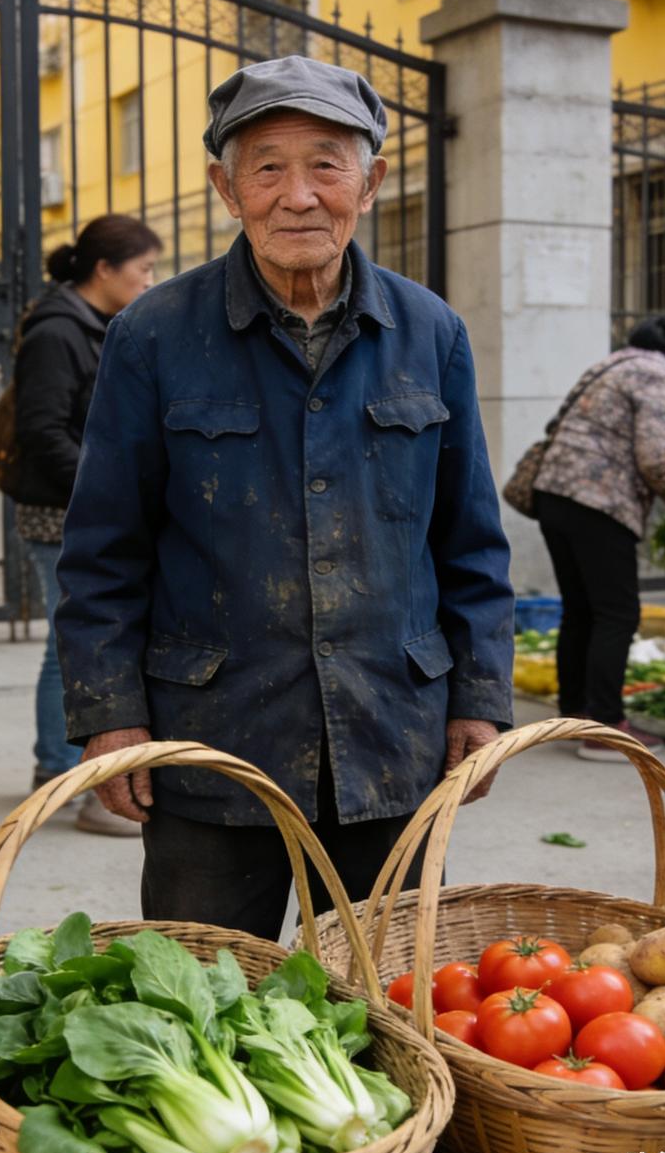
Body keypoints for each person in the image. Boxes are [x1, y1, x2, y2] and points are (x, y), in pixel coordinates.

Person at [54, 54, 514, 939]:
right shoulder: (152, 334)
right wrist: (109, 717)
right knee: (207, 998)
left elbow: (470, 538)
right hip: (213, 740)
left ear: (370, 182)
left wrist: (481, 695)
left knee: (389, 1003)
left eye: (326, 164)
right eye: (267, 166)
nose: (297, 195)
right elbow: (104, 547)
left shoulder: (430, 331)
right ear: (228, 189)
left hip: (391, 734)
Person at [12, 216, 162, 835]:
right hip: (61, 513)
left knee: (73, 640)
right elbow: (41, 430)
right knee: (66, 644)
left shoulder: (98, 327)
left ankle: (65, 774)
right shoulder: (56, 331)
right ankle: (62, 780)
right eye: (143, 268)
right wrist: (107, 489)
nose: (151, 280)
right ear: (105, 270)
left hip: (85, 507)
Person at [531, 306, 665, 761]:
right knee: (616, 613)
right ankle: (604, 727)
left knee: (581, 610)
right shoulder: (660, 375)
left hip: (556, 495)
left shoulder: (616, 362)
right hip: (600, 501)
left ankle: (574, 715)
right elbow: (659, 459)